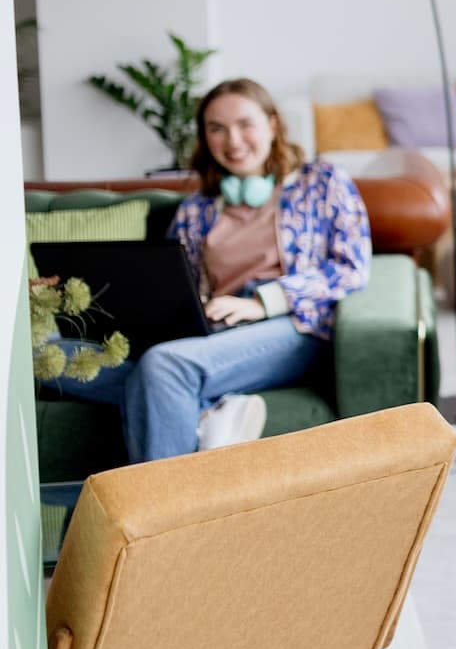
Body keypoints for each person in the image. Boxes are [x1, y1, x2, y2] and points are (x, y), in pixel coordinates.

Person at [47, 79, 371, 463]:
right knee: (47, 354)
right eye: (216, 128)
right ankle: (204, 415)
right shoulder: (197, 208)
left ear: (272, 125)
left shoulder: (323, 182)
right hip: (209, 331)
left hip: (293, 325)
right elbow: (168, 279)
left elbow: (351, 266)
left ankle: (171, 515)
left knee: (164, 366)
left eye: (245, 124)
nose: (232, 141)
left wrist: (264, 302)